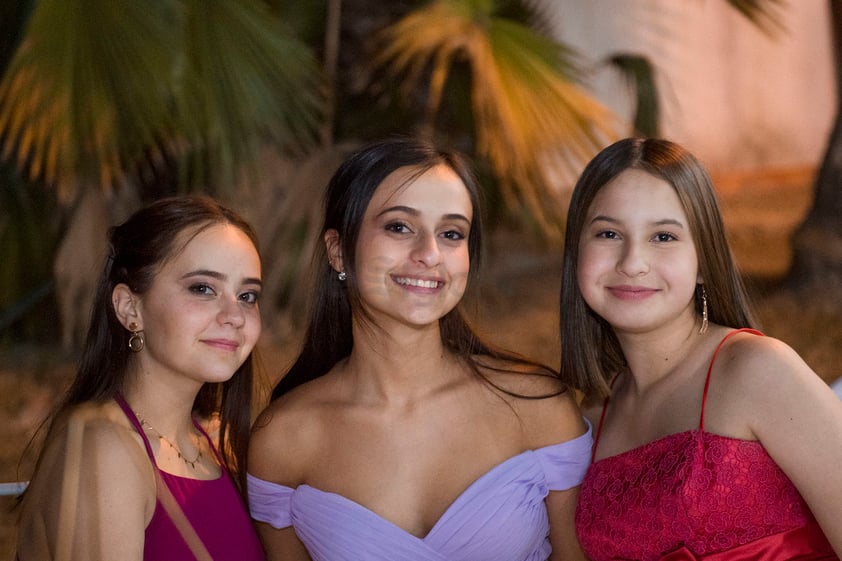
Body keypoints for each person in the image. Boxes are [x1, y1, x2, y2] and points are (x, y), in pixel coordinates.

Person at [248, 137, 592, 561]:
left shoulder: (535, 406)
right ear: (338, 251)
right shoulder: (283, 438)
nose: (429, 254)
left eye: (451, 233)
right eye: (399, 227)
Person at [560, 138, 842, 559]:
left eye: (663, 236)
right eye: (608, 233)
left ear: (704, 262)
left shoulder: (757, 370)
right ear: (577, 253)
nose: (632, 261)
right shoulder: (591, 417)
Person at [16, 195, 266, 561]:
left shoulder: (215, 445)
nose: (235, 315)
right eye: (202, 288)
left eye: (247, 295)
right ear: (130, 308)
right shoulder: (104, 449)